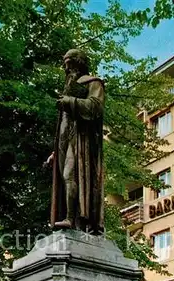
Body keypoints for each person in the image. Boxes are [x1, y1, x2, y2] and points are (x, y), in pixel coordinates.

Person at [49, 49, 105, 233]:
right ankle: (71, 219)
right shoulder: (68, 87)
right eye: (65, 63)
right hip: (65, 141)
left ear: (80, 63)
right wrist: (55, 152)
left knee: (69, 175)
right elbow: (63, 125)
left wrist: (71, 101)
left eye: (70, 63)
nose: (66, 67)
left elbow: (95, 107)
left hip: (81, 141)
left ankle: (71, 219)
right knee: (66, 180)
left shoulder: (93, 83)